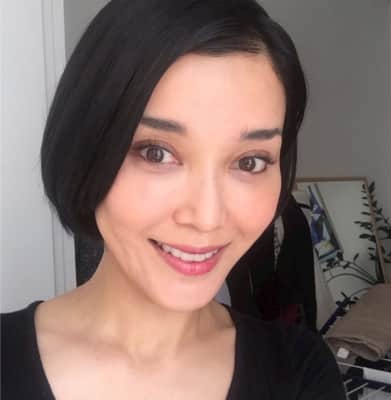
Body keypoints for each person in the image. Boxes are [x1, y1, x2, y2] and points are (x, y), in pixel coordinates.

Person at [1, 1, 347, 399]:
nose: (207, 217)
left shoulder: (300, 373)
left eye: (249, 162)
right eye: (156, 153)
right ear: (86, 148)